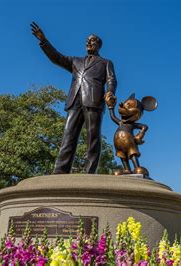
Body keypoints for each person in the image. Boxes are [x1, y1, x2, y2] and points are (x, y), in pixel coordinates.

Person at [31, 22, 117, 174]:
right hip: (75, 101)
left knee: (93, 137)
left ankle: (90, 172)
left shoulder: (105, 63)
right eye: (87, 41)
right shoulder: (75, 61)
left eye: (92, 40)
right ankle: (60, 171)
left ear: (98, 45)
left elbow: (111, 80)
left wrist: (110, 92)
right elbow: (57, 57)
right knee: (68, 135)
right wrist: (44, 41)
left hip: (93, 100)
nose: (88, 42)